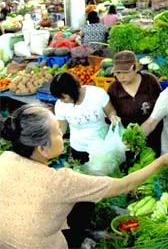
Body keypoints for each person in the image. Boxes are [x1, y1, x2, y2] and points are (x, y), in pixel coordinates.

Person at [0, 104, 168, 248]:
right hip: (39, 245)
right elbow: (123, 185)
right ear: (42, 148)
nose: (61, 133)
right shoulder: (61, 181)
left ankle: (76, 234)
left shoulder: (6, 158)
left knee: (82, 203)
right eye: (57, 131)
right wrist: (161, 161)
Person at [49, 71, 118, 247]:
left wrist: (113, 118)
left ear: (71, 91)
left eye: (63, 97)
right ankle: (86, 222)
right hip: (78, 150)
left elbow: (110, 111)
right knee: (84, 191)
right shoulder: (61, 106)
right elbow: (62, 129)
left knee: (101, 186)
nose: (62, 100)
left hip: (102, 151)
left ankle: (98, 216)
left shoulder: (97, 94)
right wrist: (51, 145)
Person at [108, 50, 163, 156]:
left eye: (126, 72)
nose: (121, 77)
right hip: (130, 141)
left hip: (155, 135)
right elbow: (111, 112)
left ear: (136, 68)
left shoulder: (150, 81)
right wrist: (113, 117)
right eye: (118, 73)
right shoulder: (114, 89)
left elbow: (161, 105)